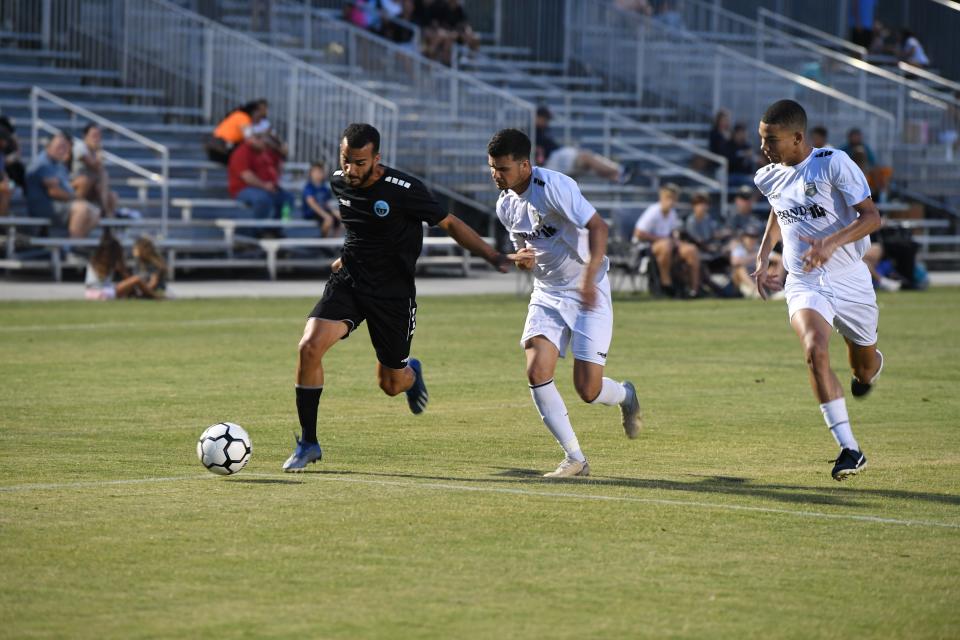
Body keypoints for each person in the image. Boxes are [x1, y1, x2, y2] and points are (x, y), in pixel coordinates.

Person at [282, 123, 511, 472]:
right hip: (350, 282)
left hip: (393, 295)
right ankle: (309, 443)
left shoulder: (404, 189)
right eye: (347, 160)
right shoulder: (338, 181)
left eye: (360, 162)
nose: (351, 170)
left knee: (390, 384)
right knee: (308, 347)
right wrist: (348, 257)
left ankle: (411, 375)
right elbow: (360, 228)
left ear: (377, 159)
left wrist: (493, 256)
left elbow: (449, 223)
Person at [487, 128, 642, 478]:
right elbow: (528, 247)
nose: (497, 175)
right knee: (536, 369)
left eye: (503, 168)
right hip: (547, 292)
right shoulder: (505, 204)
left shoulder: (554, 186)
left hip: (588, 288)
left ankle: (625, 395)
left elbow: (598, 227)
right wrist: (524, 258)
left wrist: (588, 279)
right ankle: (575, 458)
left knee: (588, 390)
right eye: (492, 168)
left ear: (525, 165)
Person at [751, 99, 883, 481]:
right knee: (814, 349)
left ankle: (868, 372)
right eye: (762, 139)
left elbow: (871, 216)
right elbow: (778, 209)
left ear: (797, 137)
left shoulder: (833, 162)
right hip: (805, 281)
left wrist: (831, 243)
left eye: (771, 140)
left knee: (864, 366)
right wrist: (764, 255)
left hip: (851, 280)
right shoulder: (769, 175)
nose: (765, 148)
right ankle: (850, 448)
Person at [633, 183, 702, 297]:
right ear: (662, 198)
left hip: (668, 244)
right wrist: (662, 239)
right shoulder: (653, 211)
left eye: (674, 199)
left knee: (691, 250)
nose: (672, 202)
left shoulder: (672, 214)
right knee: (666, 245)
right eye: (669, 198)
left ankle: (694, 289)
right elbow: (639, 233)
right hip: (647, 246)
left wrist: (677, 241)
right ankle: (666, 284)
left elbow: (673, 232)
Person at [25, 133, 100, 238]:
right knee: (81, 209)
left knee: (95, 211)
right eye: (59, 146)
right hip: (45, 206)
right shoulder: (42, 164)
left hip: (59, 204)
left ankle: (75, 245)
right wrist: (75, 198)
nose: (63, 150)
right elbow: (54, 192)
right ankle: (71, 248)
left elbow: (65, 187)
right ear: (49, 146)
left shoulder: (59, 164)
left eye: (65, 147)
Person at [535, 106, 627, 184]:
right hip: (552, 161)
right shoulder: (533, 132)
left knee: (588, 163)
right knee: (586, 157)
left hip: (558, 158)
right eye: (544, 118)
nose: (546, 122)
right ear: (537, 117)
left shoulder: (543, 131)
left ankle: (617, 176)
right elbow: (538, 156)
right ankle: (619, 171)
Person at [227, 132, 293, 220]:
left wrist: (279, 148)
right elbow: (247, 176)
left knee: (288, 199)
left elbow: (281, 159)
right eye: (260, 139)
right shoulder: (241, 152)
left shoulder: (265, 153)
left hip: (265, 188)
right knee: (263, 199)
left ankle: (277, 228)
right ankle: (257, 230)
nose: (265, 143)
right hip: (243, 189)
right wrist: (265, 186)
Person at [72, 123, 118, 218]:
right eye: (94, 135)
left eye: (98, 136)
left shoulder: (95, 151)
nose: (97, 139)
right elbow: (94, 166)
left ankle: (108, 228)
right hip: (77, 185)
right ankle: (104, 212)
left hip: (93, 187)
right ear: (85, 136)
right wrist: (98, 152)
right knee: (92, 179)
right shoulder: (80, 147)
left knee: (112, 196)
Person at [205, 99, 268, 165]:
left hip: (219, 148)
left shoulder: (239, 115)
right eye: (260, 116)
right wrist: (263, 147)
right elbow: (250, 138)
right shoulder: (243, 117)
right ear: (254, 112)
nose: (261, 119)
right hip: (220, 149)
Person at [84, 231, 139, 300]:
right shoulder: (111, 262)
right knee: (136, 280)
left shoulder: (95, 260)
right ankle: (153, 296)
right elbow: (126, 276)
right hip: (102, 292)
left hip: (89, 293)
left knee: (128, 285)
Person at [302, 160, 340, 236]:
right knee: (328, 220)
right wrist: (325, 215)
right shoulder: (309, 187)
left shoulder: (324, 188)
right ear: (310, 173)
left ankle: (334, 242)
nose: (318, 174)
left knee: (339, 218)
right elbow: (312, 204)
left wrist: (334, 212)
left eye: (320, 172)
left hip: (322, 211)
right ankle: (323, 242)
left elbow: (327, 203)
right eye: (315, 172)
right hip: (312, 212)